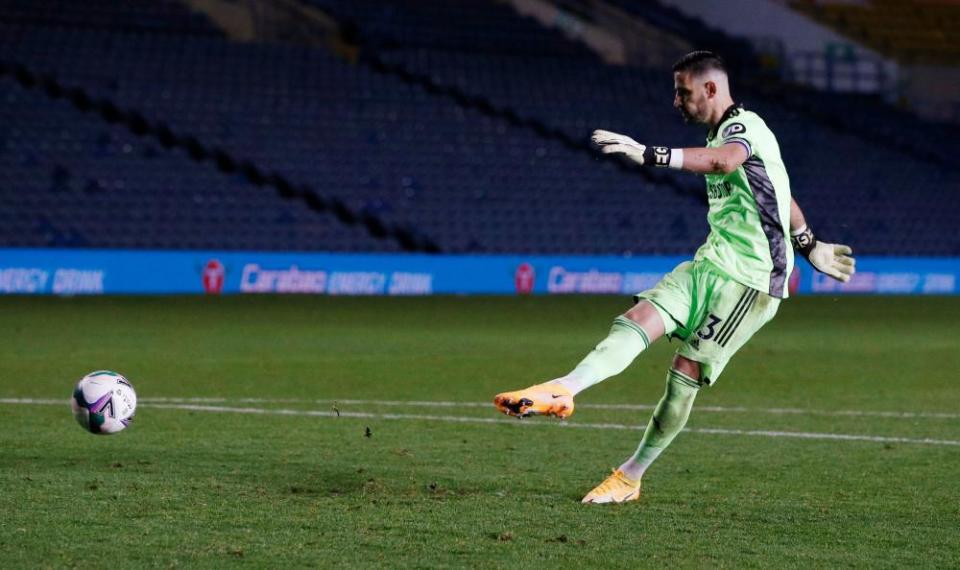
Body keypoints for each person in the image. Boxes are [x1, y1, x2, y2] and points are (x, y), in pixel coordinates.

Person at [493, 51, 855, 504]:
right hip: (710, 263)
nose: (677, 101)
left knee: (683, 375)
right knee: (639, 317)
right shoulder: (723, 136)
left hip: (751, 281)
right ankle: (562, 389)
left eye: (683, 92)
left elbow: (724, 161)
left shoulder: (743, 128)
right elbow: (781, 195)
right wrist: (809, 243)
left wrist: (652, 154)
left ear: (710, 89)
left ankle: (629, 477)